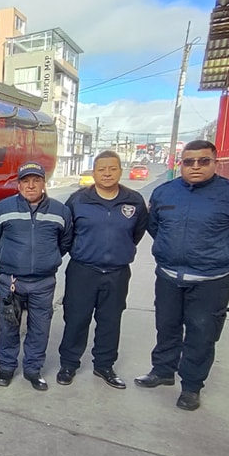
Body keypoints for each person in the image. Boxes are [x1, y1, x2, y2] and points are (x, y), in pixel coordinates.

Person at [135, 139, 229, 410]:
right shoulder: (164, 193)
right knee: (166, 326)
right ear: (180, 163)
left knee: (201, 334)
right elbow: (155, 226)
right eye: (189, 161)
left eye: (203, 161)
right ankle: (162, 371)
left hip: (211, 281)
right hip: (169, 276)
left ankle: (191, 387)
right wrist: (172, 252)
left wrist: (223, 256)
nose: (195, 166)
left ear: (215, 163)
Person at [56, 151, 148, 389]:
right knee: (76, 318)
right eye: (101, 169)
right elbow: (66, 234)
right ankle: (69, 364)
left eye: (112, 169)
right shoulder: (77, 200)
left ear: (120, 170)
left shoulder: (134, 201)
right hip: (83, 271)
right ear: (94, 172)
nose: (107, 174)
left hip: (117, 273)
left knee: (110, 320)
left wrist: (119, 250)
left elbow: (136, 233)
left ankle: (104, 365)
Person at [0, 161, 73, 390]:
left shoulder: (60, 211)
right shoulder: (1, 209)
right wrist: (9, 260)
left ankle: (33, 371)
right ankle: (6, 368)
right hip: (11, 282)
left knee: (40, 328)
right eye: (26, 181)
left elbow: (65, 242)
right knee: (8, 327)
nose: (31, 185)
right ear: (18, 184)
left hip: (44, 283)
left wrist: (47, 260)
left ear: (44, 183)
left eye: (36, 180)